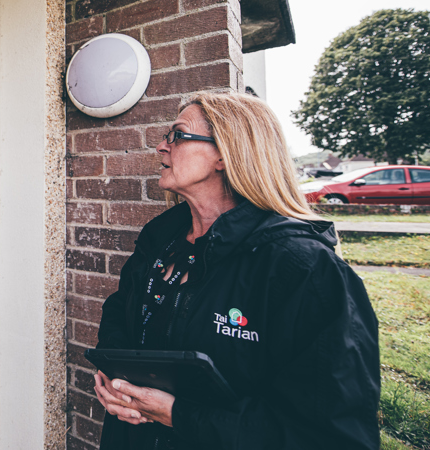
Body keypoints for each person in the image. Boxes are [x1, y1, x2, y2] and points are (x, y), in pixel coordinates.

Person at [93, 92, 380, 449]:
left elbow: (332, 434)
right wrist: (113, 377)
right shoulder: (160, 237)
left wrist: (179, 415)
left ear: (225, 155)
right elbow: (120, 310)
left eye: (177, 135)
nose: (161, 147)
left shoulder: (304, 270)